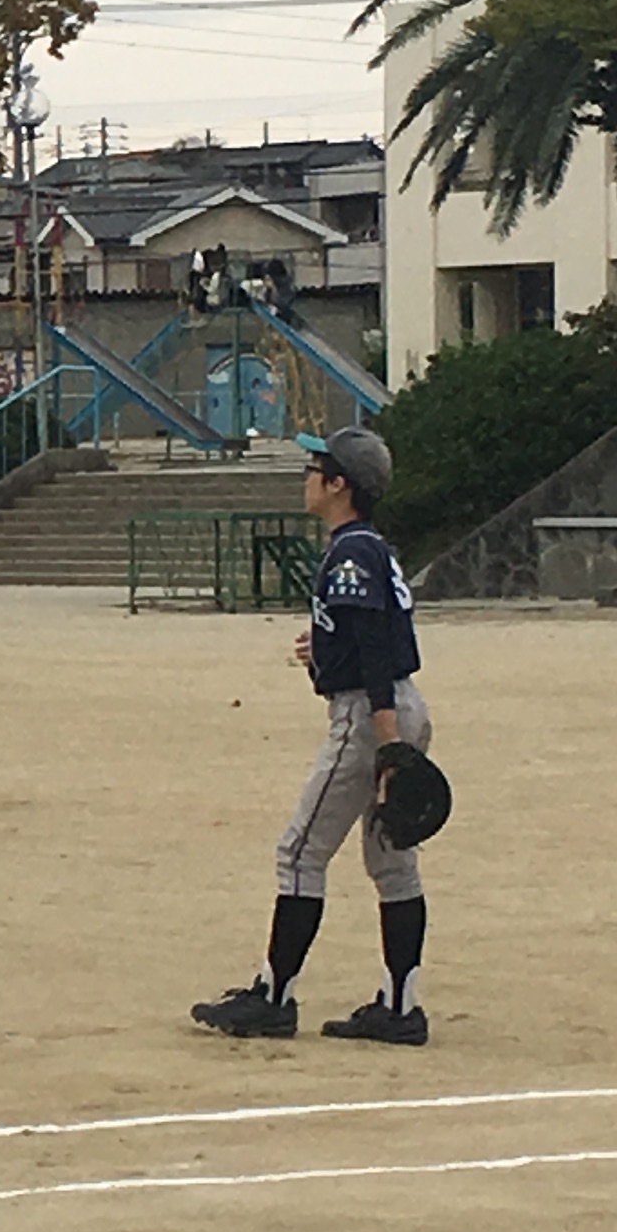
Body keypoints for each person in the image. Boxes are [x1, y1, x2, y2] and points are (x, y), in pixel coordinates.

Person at [193, 426, 434, 1045]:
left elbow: (375, 648)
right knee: (392, 861)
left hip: (371, 715)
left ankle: (274, 998)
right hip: (398, 704)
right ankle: (401, 1007)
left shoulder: (351, 553)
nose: (306, 478)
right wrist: (325, 653)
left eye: (314, 468)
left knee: (299, 853)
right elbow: (367, 638)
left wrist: (387, 745)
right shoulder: (369, 547)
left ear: (339, 485)